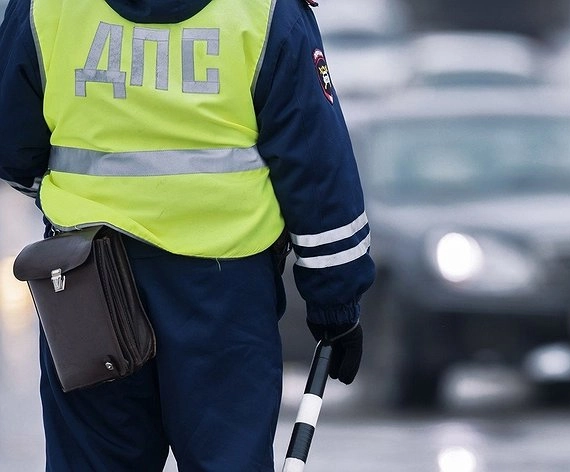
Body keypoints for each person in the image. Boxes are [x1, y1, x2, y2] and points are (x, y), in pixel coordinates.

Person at [0, 0, 375, 469]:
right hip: (223, 292)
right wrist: (336, 305)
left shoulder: (45, 7)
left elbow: (12, 144)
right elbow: (316, 167)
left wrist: (71, 206)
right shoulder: (264, 10)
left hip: (84, 283)